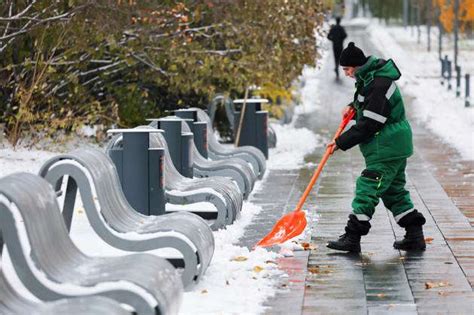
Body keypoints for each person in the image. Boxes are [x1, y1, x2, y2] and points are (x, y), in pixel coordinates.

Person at [325, 42, 426, 253]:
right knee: (394, 193)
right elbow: (368, 104)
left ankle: (352, 237)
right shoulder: (369, 78)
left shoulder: (379, 84)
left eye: (347, 69)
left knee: (368, 187)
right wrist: (353, 107)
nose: (346, 74)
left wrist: (340, 142)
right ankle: (415, 236)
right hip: (391, 145)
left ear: (355, 66)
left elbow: (370, 123)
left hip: (385, 146)